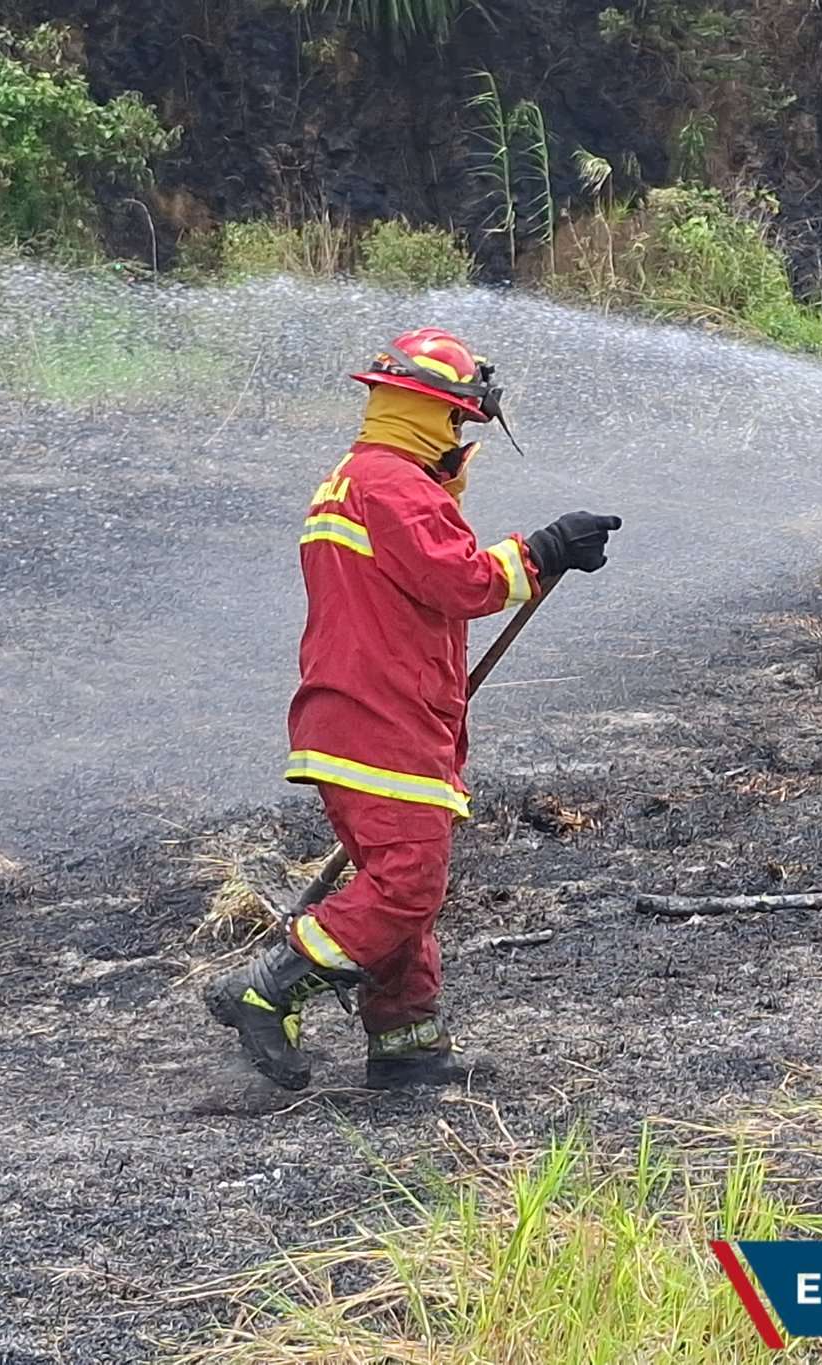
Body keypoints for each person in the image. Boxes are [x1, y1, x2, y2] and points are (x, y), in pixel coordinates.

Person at [206, 326, 621, 1091]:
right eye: (460, 422)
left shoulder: (360, 479)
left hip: (371, 713)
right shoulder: (393, 485)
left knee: (399, 880)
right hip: (381, 717)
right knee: (406, 882)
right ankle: (266, 988)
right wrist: (546, 548)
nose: (463, 440)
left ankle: (407, 1046)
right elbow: (462, 582)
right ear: (432, 412)